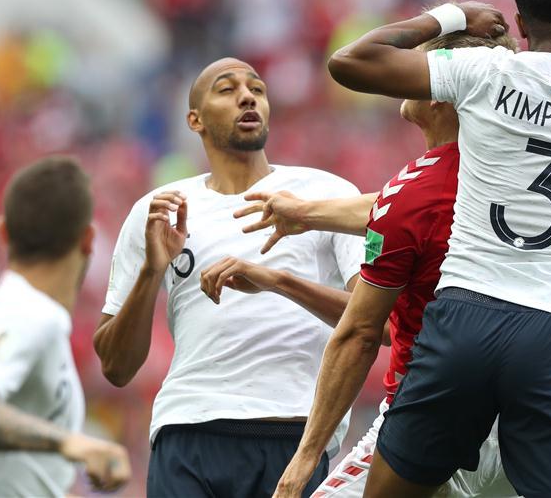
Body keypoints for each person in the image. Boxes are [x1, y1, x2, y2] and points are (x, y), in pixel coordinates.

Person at [326, 0, 551, 498]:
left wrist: (453, 17)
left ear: (519, 26)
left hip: (465, 318)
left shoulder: (484, 73)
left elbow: (350, 62)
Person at [207, 31, 519, 498]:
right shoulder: (512, 170)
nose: (407, 75)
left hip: (430, 417)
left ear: (443, 95)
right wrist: (307, 215)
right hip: (520, 422)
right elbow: (410, 212)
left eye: (422, 69)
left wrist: (305, 457)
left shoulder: (416, 191)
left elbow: (360, 333)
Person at [93, 58, 365, 498]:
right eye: (227, 89)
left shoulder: (327, 194)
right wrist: (150, 272)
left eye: (257, 88)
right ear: (194, 120)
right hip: (186, 430)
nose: (247, 96)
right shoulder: (158, 210)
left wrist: (277, 281)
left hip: (292, 436)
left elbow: (380, 324)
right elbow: (116, 367)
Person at [0, 156, 131, 497]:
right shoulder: (25, 311)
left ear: (3, 233)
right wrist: (72, 444)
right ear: (88, 240)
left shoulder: (1, 309)